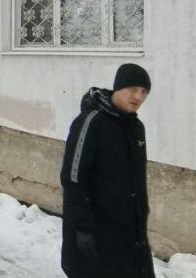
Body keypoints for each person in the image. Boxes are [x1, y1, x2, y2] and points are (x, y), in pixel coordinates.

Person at [60, 63, 154, 278]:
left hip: (130, 232)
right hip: (96, 230)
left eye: (144, 92)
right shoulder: (91, 122)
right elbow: (73, 178)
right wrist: (82, 227)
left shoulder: (136, 128)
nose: (138, 97)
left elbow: (136, 181)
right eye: (132, 89)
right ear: (118, 87)